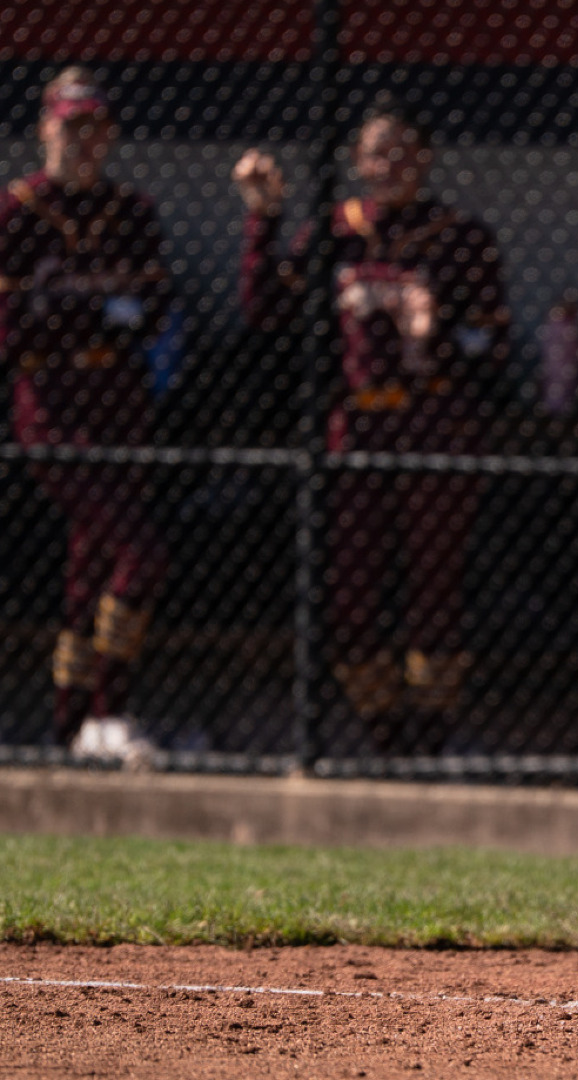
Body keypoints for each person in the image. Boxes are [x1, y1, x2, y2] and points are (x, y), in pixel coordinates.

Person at [234, 102, 511, 755]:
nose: (391, 165)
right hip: (356, 425)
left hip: (436, 420)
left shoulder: (459, 236)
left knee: (433, 586)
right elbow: (267, 310)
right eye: (378, 152)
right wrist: (263, 219)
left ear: (427, 160)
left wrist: (435, 331)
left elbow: (491, 344)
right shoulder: (336, 232)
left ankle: (431, 741)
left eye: (406, 151)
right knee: (350, 589)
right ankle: (386, 732)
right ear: (357, 162)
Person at [1, 68, 172, 758]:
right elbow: (12, 327)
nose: (84, 142)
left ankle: (75, 724)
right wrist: (95, 311)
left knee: (91, 566)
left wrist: (74, 310)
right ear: (46, 128)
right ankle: (110, 707)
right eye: (72, 128)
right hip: (51, 402)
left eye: (96, 128)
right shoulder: (17, 212)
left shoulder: (130, 211)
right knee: (143, 552)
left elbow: (152, 309)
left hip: (119, 400)